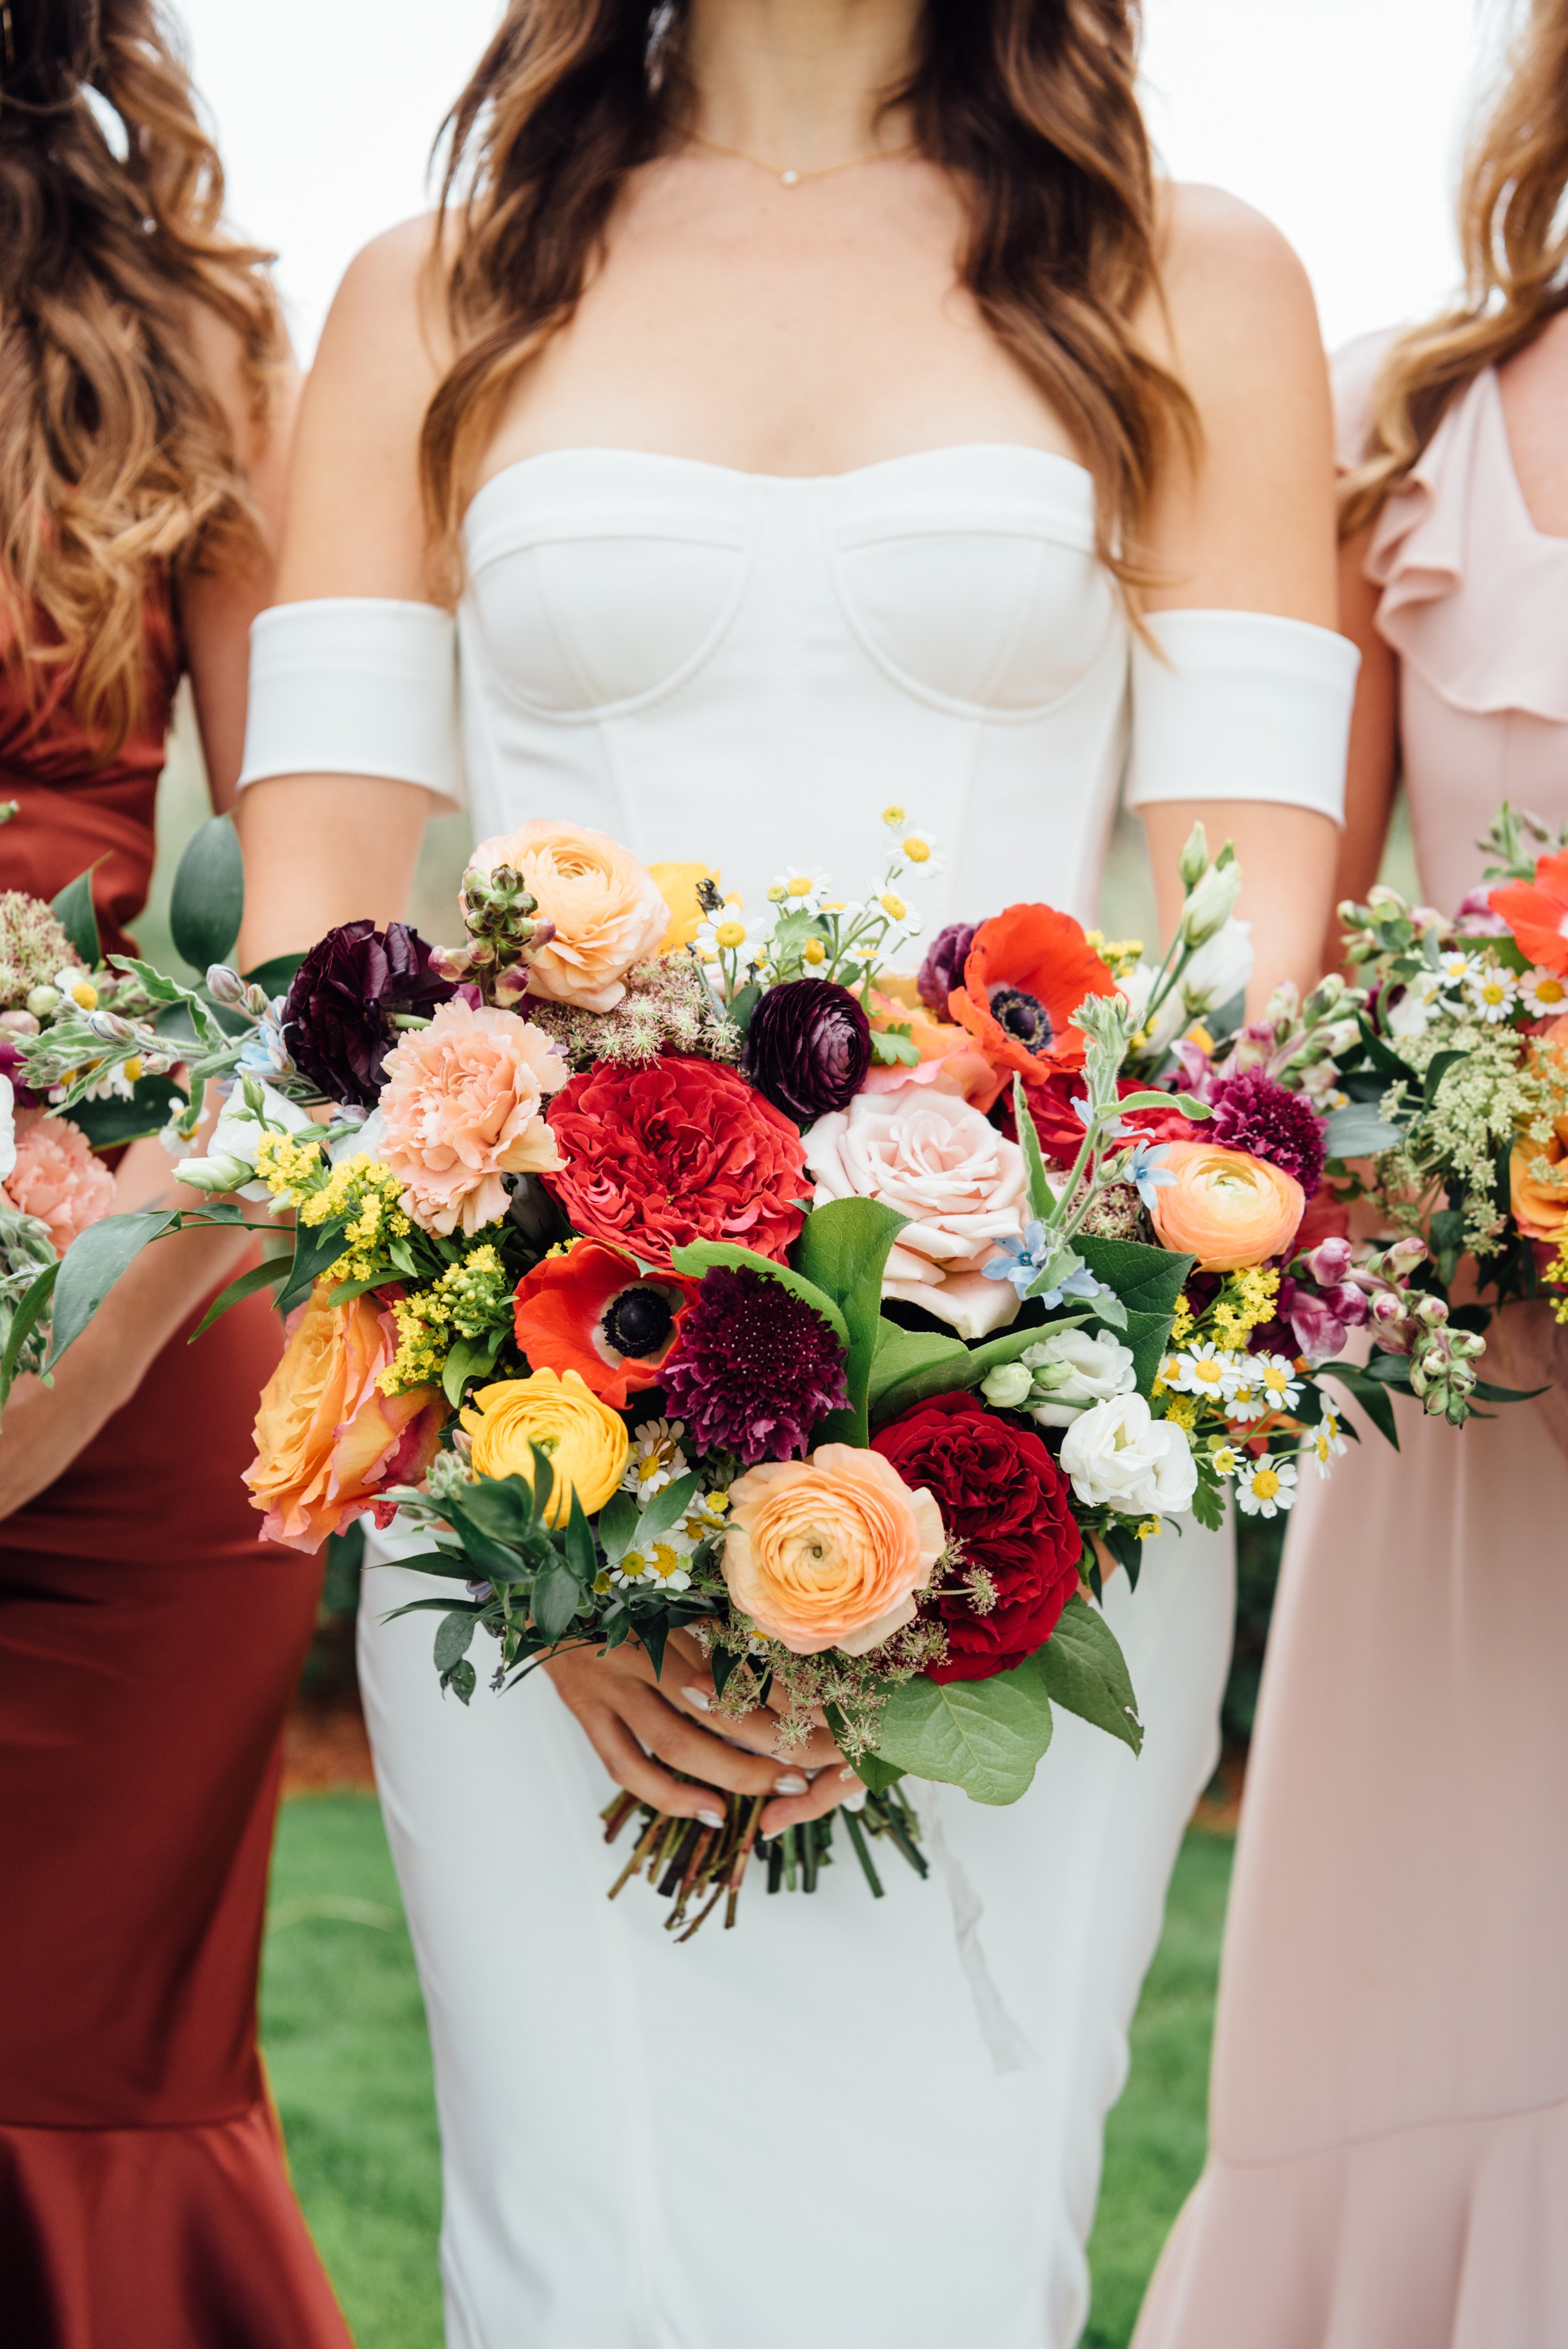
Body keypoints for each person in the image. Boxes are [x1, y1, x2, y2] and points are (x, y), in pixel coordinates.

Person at [233, 2, 1356, 2341]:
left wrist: (987, 1429)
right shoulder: (431, 294)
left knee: (960, 2255)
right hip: (535, 1467)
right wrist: (558, 1541)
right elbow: (305, 979)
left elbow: (1241, 983)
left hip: (1032, 1494)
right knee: (584, 2258)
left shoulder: (1190, 277)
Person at [1133, 5, 1568, 2344]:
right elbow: (1270, 1011)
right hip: (1483, 1458)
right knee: (1446, 2064)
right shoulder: (1414, 428)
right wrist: (1445, 1179)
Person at [0, 7, 352, 2343]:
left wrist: (108, 1297)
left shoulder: (186, 333)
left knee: (81, 2084)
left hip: (114, 1335)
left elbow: (325, 933)